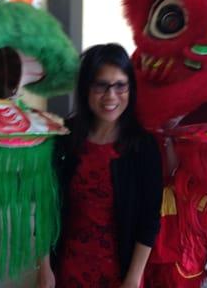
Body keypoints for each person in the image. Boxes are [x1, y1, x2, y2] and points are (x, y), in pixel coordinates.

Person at [38, 43, 163, 288]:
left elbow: (150, 219)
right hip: (67, 268)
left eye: (120, 85)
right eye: (101, 85)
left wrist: (133, 279)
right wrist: (43, 268)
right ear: (86, 88)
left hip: (120, 274)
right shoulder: (64, 136)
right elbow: (45, 206)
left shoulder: (143, 146)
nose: (111, 96)